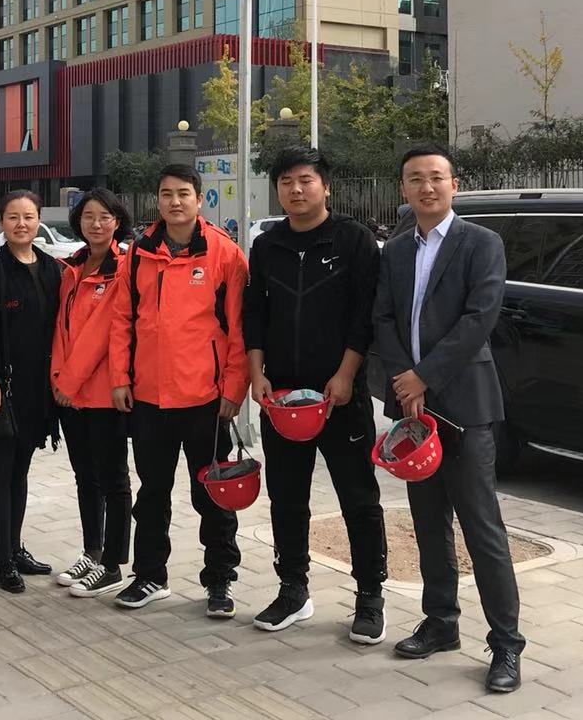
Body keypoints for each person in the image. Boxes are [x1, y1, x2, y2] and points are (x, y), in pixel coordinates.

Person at [374, 143, 525, 694]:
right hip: (411, 406)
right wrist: (403, 380)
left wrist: (425, 376)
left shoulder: (481, 243)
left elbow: (479, 318)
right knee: (427, 521)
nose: (427, 187)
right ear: (403, 189)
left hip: (464, 405)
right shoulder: (395, 249)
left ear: (454, 185)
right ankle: (440, 622)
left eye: (436, 177)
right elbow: (383, 318)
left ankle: (506, 644)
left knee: (482, 527)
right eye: (415, 178)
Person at [243, 147, 388, 639]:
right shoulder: (268, 245)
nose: (296, 189)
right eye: (286, 182)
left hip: (340, 396)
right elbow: (255, 314)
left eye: (305, 180)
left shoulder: (353, 239)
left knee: (358, 497)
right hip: (282, 398)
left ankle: (370, 596)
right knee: (286, 496)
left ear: (326, 186)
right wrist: (257, 375)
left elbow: (365, 315)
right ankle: (292, 590)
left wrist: (346, 375)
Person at [108, 164, 249, 618]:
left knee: (213, 496)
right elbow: (122, 320)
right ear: (158, 200)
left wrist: (233, 388)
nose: (175, 202)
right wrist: (120, 378)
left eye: (184, 193)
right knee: (152, 493)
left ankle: (220, 580)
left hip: (206, 400)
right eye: (166, 193)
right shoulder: (138, 253)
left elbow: (238, 329)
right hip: (149, 398)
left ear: (199, 199)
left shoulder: (224, 254)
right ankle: (150, 576)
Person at [0, 191, 63, 593]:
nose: (22, 224)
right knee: (0, 472)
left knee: (20, 471)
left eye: (29, 217)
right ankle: (2, 560)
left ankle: (15, 549)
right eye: (13, 217)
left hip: (37, 390)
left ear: (38, 220)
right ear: (1, 221)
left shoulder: (51, 268)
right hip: (2, 390)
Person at [50, 188, 134, 598]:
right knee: (85, 477)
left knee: (113, 479)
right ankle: (92, 551)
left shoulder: (123, 268)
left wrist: (67, 382)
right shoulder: (73, 267)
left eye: (104, 217)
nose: (96, 224)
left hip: (103, 393)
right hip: (70, 395)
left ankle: (113, 564)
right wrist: (57, 378)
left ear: (117, 221)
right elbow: (61, 330)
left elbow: (102, 334)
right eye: (88, 217)